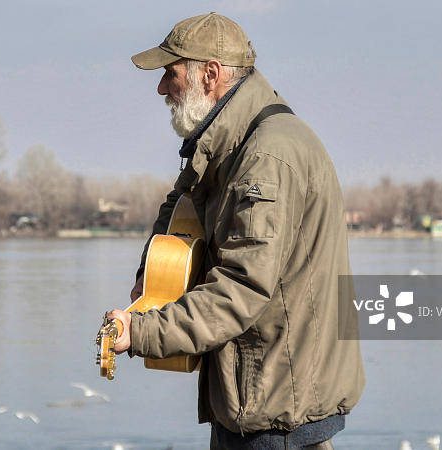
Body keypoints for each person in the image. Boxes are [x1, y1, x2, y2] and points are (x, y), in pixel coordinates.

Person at [106, 12, 365, 450]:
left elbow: (241, 289)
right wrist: (148, 274)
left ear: (209, 75)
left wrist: (142, 332)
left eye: (170, 75)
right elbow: (182, 199)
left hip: (276, 411)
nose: (161, 89)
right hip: (261, 397)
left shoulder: (265, 156)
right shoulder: (231, 142)